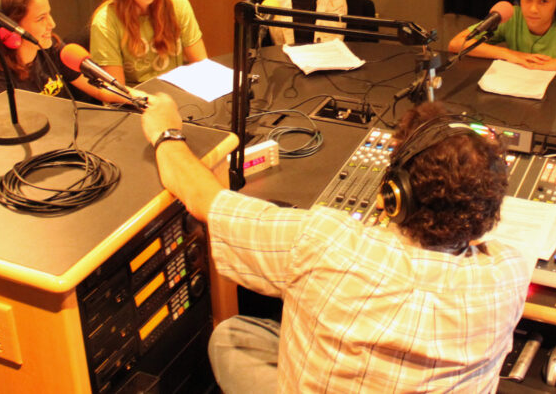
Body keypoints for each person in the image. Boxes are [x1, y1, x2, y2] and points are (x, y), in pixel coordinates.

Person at [139, 96, 531, 393]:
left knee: (229, 336)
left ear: (394, 193)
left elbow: (203, 199)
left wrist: (166, 131)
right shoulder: (510, 275)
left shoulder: (324, 241)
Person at [0, 0, 138, 105]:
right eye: (41, 18)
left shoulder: (51, 49)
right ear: (9, 28)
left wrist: (145, 100)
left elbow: (103, 90)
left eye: (48, 14)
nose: (52, 24)